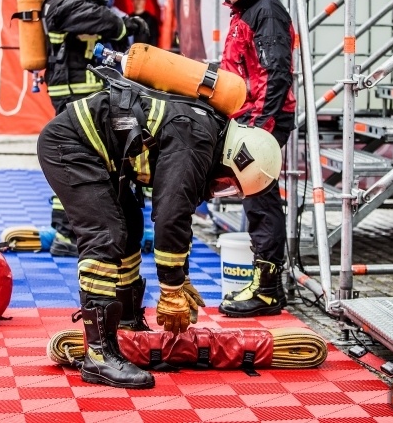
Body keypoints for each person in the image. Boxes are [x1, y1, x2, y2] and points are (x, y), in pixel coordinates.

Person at [37, 71, 282, 388]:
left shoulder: (206, 129)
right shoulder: (197, 138)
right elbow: (170, 215)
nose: (217, 189)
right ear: (237, 157)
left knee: (129, 227)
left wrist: (182, 277)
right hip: (70, 145)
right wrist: (171, 289)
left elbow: (181, 211)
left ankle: (126, 328)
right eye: (225, 183)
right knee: (105, 235)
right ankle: (99, 356)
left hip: (98, 152)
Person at [41, 0, 149, 255]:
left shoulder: (81, 1)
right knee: (77, 164)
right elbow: (89, 17)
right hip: (72, 95)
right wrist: (122, 25)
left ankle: (90, 231)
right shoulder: (61, 1)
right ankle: (67, 236)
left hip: (87, 96)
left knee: (97, 162)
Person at [210, 0, 296, 318]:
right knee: (255, 199)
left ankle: (267, 291)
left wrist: (261, 129)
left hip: (263, 121)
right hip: (249, 119)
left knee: (260, 201)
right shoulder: (246, 10)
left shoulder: (265, 11)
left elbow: (276, 73)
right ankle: (266, 287)